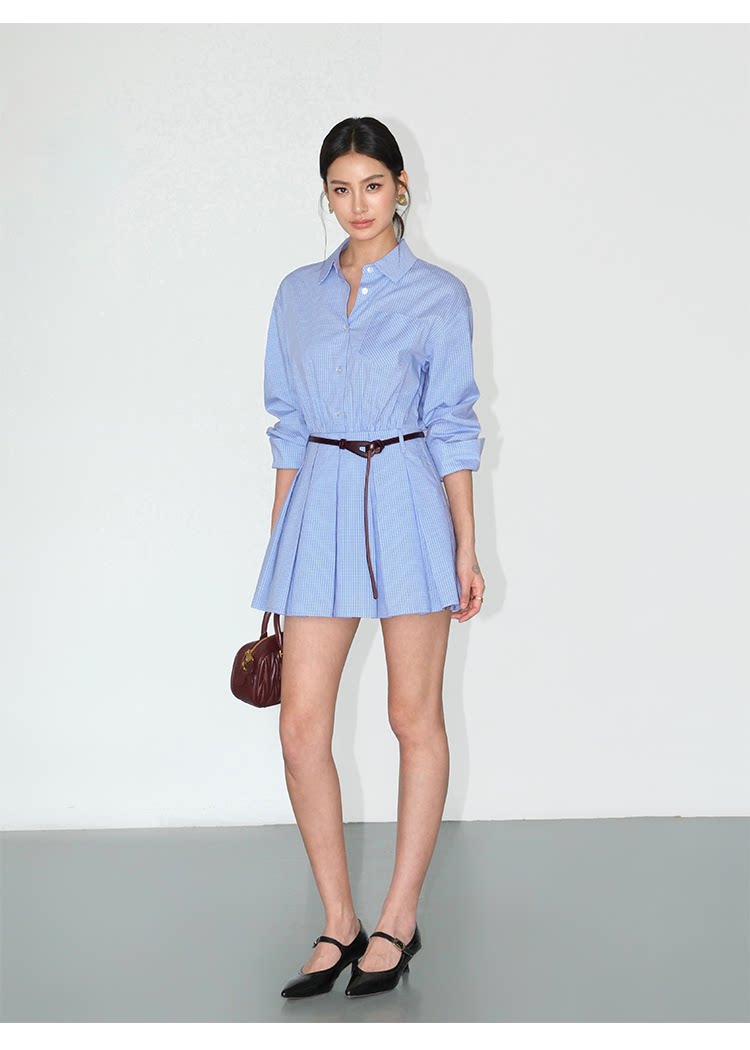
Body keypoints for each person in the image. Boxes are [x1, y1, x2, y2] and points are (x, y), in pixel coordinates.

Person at [250, 116, 486, 999]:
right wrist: (280, 543)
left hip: (408, 503)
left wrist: (466, 545)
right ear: (326, 194)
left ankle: (398, 916)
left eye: (373, 186)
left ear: (400, 188)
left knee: (410, 717)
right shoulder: (295, 295)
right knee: (299, 727)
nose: (358, 204)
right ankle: (338, 919)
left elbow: (454, 423)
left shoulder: (439, 297)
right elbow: (287, 424)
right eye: (341, 188)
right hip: (318, 508)